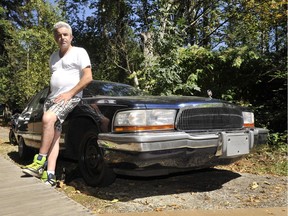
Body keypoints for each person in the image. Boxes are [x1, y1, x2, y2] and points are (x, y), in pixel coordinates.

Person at [22, 21, 93, 186]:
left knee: (47, 119)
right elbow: (54, 80)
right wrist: (48, 97)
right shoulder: (53, 57)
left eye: (65, 34)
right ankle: (50, 174)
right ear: (55, 38)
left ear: (71, 36)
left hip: (70, 97)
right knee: (53, 136)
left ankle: (39, 161)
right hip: (53, 99)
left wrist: (69, 93)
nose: (62, 38)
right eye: (58, 35)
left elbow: (88, 77)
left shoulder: (79, 52)